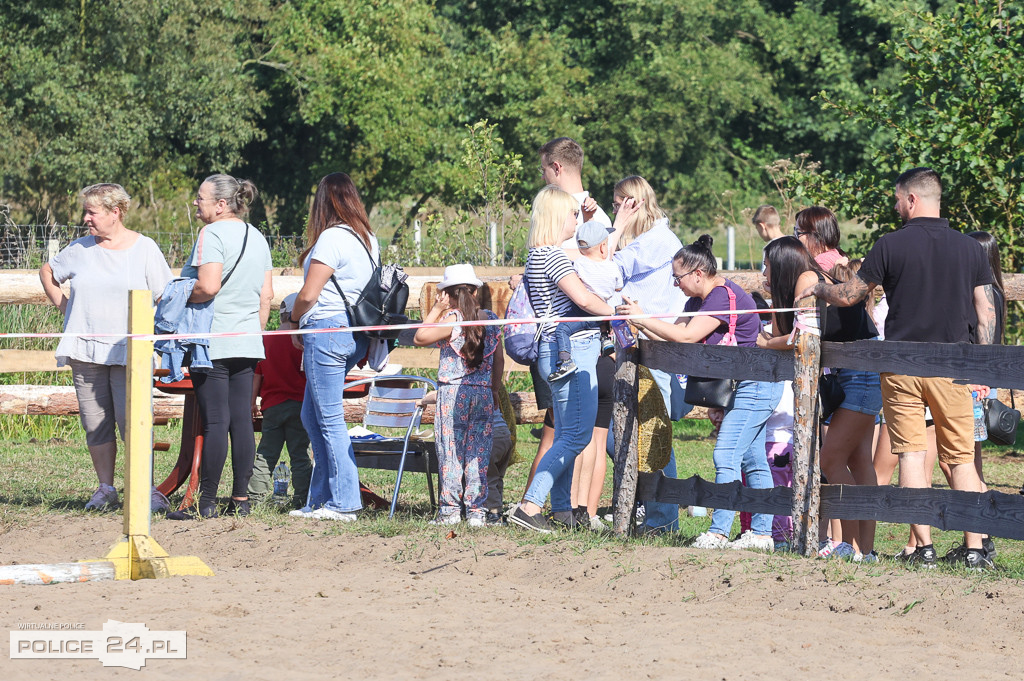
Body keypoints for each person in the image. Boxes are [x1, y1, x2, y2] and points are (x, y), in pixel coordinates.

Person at [802, 167, 997, 570]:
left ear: (912, 199)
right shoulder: (970, 249)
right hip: (954, 365)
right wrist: (983, 363)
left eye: (897, 199)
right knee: (961, 459)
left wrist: (819, 288)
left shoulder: (890, 244)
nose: (895, 205)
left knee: (910, 453)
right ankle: (976, 549)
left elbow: (850, 294)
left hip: (901, 364)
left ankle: (923, 548)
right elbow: (986, 312)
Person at [618, 235, 782, 551]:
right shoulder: (698, 301)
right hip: (744, 386)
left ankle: (719, 531)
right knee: (753, 460)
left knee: (725, 454)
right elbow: (673, 337)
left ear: (697, 273)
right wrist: (639, 321)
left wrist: (641, 319)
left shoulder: (720, 297)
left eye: (677, 278)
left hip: (756, 385)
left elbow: (685, 335)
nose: (675, 284)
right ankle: (762, 534)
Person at [39, 183, 173, 512]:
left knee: (134, 421)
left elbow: (165, 296)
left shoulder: (145, 249)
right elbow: (48, 272)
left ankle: (146, 490)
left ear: (116, 212)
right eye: (85, 211)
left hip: (131, 353)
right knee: (95, 421)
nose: (86, 218)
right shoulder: (79, 249)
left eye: (92, 212)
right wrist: (67, 309)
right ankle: (106, 489)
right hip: (86, 351)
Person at [760, 235, 880, 560]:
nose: (763, 275)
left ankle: (850, 546)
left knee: (830, 460)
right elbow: (784, 330)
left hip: (857, 374)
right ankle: (864, 549)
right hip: (852, 374)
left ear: (783, 264)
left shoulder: (808, 278)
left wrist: (766, 344)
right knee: (855, 461)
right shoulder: (803, 281)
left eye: (767, 266)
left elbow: (801, 337)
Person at [508, 186, 614, 533]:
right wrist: (618, 313)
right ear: (557, 216)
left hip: (552, 349)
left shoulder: (536, 255)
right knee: (577, 437)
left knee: (568, 432)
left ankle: (562, 509)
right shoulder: (553, 257)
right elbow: (583, 298)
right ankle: (530, 505)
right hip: (571, 351)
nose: (577, 219)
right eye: (572, 213)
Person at [167, 174, 273, 520]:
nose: (196, 203)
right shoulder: (257, 236)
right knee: (241, 420)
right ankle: (240, 500)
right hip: (246, 339)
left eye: (200, 198)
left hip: (211, 340)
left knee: (215, 422)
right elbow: (266, 296)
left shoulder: (210, 234)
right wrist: (251, 331)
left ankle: (206, 501)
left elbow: (208, 286)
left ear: (221, 204)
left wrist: (178, 295)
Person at [288, 172, 377, 521]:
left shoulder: (330, 238)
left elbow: (310, 294)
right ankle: (320, 499)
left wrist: (293, 317)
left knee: (327, 419)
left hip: (325, 331)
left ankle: (344, 502)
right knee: (312, 415)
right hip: (351, 334)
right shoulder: (367, 238)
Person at [608, 175, 689, 533]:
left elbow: (609, 268)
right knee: (622, 436)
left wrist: (615, 227)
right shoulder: (649, 240)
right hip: (638, 347)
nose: (615, 209)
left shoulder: (657, 241)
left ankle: (662, 518)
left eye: (618, 203)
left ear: (633, 204)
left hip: (655, 350)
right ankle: (652, 508)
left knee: (653, 437)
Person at [413, 264, 504, 526]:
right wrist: (494, 388)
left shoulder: (451, 320)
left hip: (453, 393)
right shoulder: (490, 319)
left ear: (448, 294)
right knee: (478, 452)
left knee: (450, 451)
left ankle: (450, 510)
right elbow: (499, 358)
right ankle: (476, 511)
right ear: (474, 291)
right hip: (483, 393)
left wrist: (436, 309)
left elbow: (420, 337)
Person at [248, 294, 312, 508]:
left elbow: (258, 374)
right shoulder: (304, 339)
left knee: (266, 454)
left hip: (272, 405)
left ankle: (255, 499)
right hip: (300, 405)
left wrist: (252, 401)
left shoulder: (266, 339)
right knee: (300, 455)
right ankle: (302, 499)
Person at [548, 220, 622, 381]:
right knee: (603, 318)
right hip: (602, 312)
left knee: (562, 330)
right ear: (603, 247)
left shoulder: (579, 264)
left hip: (582, 312)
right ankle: (605, 340)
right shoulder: (612, 267)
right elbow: (618, 287)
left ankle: (566, 360)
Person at [794, 206, 848, 272]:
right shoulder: (835, 255)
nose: (796, 237)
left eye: (798, 232)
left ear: (814, 234)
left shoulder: (821, 264)